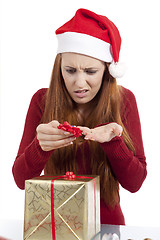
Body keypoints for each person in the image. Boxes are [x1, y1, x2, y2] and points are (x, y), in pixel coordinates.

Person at [12, 8, 147, 225]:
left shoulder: (124, 100)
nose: (80, 83)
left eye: (90, 72)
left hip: (108, 226)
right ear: (59, 69)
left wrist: (113, 142)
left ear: (106, 70)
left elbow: (135, 183)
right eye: (70, 70)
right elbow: (20, 180)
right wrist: (40, 146)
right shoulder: (41, 100)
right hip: (55, 225)